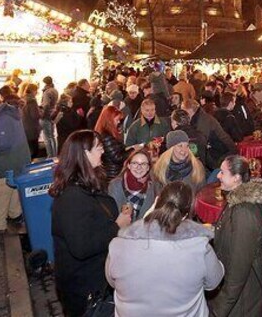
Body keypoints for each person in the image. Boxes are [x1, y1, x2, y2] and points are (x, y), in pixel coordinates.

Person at [106, 181, 223, 317]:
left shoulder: (118, 245)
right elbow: (214, 281)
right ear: (186, 215)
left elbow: (112, 282)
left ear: (156, 202)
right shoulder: (200, 247)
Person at [50, 130, 132, 316]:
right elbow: (81, 245)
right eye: (98, 147)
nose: (103, 151)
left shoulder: (87, 184)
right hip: (85, 290)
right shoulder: (71, 196)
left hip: (96, 283)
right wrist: (117, 226)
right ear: (84, 154)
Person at [211, 155, 262, 317]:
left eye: (222, 172)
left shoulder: (244, 213)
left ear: (236, 178)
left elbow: (238, 268)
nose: (218, 176)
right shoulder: (236, 200)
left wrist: (220, 309)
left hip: (242, 301)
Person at [0, 95, 32, 232]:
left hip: (8, 161)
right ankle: (15, 214)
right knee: (14, 188)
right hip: (20, 158)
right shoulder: (12, 113)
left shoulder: (3, 118)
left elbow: (2, 143)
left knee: (2, 192)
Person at [181, 98, 237, 172]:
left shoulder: (203, 121)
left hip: (223, 153)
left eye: (183, 111)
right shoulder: (199, 118)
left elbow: (201, 143)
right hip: (218, 152)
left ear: (189, 110)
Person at [109, 149, 158, 222]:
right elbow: (111, 215)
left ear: (148, 168)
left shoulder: (154, 186)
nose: (139, 167)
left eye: (143, 164)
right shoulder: (116, 185)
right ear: (128, 165)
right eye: (135, 163)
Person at [94, 105, 127, 179]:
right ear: (110, 120)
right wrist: (133, 149)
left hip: (111, 172)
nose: (118, 122)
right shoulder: (106, 136)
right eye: (117, 119)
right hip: (112, 173)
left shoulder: (106, 133)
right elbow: (117, 158)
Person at [21, 83, 42, 158]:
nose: (37, 92)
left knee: (28, 148)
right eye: (36, 90)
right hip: (32, 128)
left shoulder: (23, 99)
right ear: (33, 91)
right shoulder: (32, 101)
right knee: (34, 150)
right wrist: (41, 113)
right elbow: (35, 115)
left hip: (25, 126)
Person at [40, 76, 59, 157]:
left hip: (47, 116)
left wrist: (43, 115)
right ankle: (54, 154)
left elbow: (46, 105)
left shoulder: (47, 92)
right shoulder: (55, 90)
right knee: (52, 136)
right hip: (53, 114)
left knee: (47, 137)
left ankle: (50, 155)